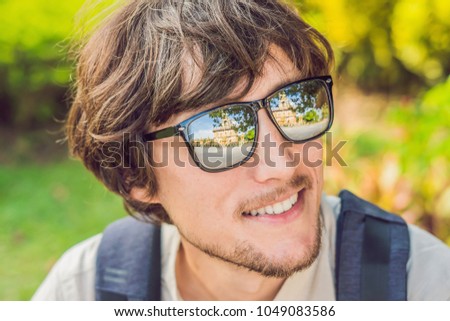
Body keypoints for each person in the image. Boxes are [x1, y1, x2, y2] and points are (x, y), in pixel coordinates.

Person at [33, 0, 450, 301]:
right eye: (220, 131)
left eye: (294, 102)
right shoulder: (85, 291)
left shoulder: (419, 285)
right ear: (135, 176)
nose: (283, 162)